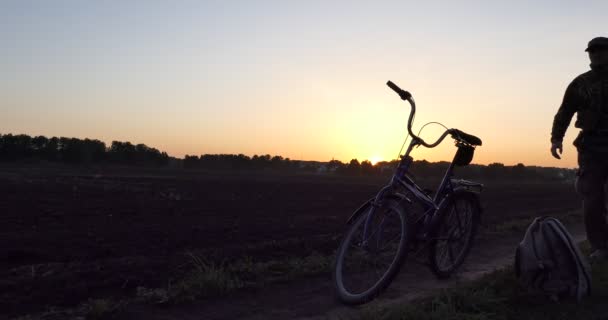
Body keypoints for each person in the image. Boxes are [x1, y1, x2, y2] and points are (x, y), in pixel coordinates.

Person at [551, 36, 608, 260]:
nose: (596, 54)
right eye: (592, 51)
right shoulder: (581, 83)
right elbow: (565, 111)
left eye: (601, 50)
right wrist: (556, 139)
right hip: (592, 147)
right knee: (592, 199)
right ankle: (601, 247)